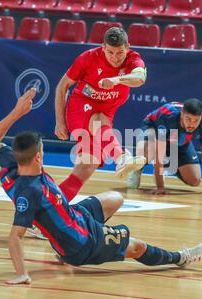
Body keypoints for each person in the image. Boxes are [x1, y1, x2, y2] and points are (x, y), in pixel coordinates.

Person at [0, 88, 202, 285]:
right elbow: (15, 237)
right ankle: (181, 257)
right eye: (43, 150)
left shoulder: (12, 165)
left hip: (74, 215)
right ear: (37, 158)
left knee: (115, 198)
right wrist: (22, 274)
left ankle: (64, 244)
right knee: (137, 247)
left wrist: (17, 112)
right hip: (80, 243)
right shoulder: (29, 192)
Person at [53, 27, 147, 204]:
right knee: (97, 120)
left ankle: (49, 210)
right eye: (110, 52)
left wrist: (116, 80)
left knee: (87, 166)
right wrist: (59, 122)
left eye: (120, 52)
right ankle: (122, 157)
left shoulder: (134, 59)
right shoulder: (88, 58)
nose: (115, 57)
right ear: (103, 47)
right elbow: (62, 86)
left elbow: (140, 78)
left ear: (127, 47)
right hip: (80, 108)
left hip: (105, 112)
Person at [127, 99, 202, 195]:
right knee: (147, 153)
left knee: (194, 180)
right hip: (153, 128)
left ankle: (168, 164)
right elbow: (159, 152)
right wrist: (160, 187)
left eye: (196, 120)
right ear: (182, 114)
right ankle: (137, 169)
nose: (192, 124)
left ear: (200, 118)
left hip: (177, 139)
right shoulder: (167, 117)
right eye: (188, 119)